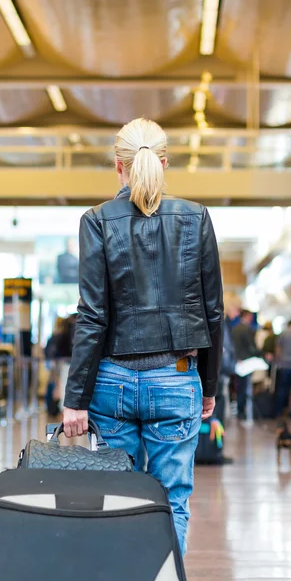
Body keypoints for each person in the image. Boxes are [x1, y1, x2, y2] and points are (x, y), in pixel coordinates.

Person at [61, 117, 223, 555]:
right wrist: (208, 386)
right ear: (164, 163)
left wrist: (75, 397)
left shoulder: (96, 220)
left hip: (112, 382)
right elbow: (213, 312)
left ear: (118, 165)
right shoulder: (196, 218)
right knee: (173, 502)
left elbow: (92, 315)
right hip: (176, 378)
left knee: (117, 503)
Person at [231, 309, 259, 420]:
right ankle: (244, 411)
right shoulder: (248, 329)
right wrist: (260, 354)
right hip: (247, 362)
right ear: (246, 316)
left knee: (239, 386)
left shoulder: (234, 328)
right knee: (246, 387)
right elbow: (251, 346)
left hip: (237, 361)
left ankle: (240, 409)